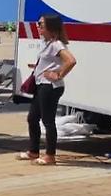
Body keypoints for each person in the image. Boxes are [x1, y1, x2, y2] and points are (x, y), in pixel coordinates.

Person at [20, 14, 77, 166]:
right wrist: (38, 67)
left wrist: (58, 74)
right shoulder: (48, 43)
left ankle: (50, 155)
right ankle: (33, 151)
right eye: (38, 24)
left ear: (51, 27)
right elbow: (51, 62)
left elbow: (71, 61)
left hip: (50, 87)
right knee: (32, 118)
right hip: (41, 85)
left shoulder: (56, 44)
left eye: (41, 24)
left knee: (48, 121)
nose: (38, 27)